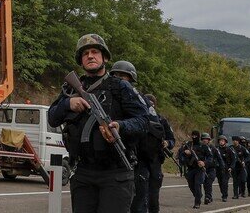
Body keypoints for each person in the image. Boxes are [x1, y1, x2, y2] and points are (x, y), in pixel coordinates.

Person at [47, 34, 149, 213]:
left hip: (116, 173)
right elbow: (52, 118)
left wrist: (120, 126)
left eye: (95, 52)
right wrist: (67, 104)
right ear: (81, 60)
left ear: (105, 57)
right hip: (83, 172)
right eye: (85, 53)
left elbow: (143, 121)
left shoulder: (120, 87)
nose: (90, 56)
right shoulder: (72, 88)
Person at [110, 60, 157, 213]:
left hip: (135, 157)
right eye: (116, 75)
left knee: (136, 203)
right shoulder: (107, 96)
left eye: (123, 76)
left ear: (130, 79)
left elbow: (152, 126)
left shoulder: (139, 99)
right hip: (110, 160)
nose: (119, 79)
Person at [143, 94, 175, 213]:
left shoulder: (161, 120)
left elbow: (172, 139)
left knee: (153, 195)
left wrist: (167, 143)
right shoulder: (136, 119)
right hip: (139, 159)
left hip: (155, 160)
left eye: (152, 105)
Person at [178, 130, 213, 209]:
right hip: (190, 168)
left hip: (199, 169)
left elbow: (210, 157)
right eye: (193, 136)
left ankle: (197, 202)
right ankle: (198, 195)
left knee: (197, 184)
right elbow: (180, 155)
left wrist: (204, 163)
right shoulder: (188, 145)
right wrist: (185, 153)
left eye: (196, 136)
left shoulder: (203, 146)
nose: (194, 137)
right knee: (191, 185)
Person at [200, 133, 222, 204]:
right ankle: (209, 196)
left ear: (209, 140)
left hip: (212, 169)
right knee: (205, 183)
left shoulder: (214, 148)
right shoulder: (200, 148)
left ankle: (207, 197)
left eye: (206, 139)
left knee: (209, 183)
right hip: (203, 169)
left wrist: (222, 168)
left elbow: (219, 159)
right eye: (203, 139)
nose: (204, 140)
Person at [216, 135, 236, 202]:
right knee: (220, 182)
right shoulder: (217, 149)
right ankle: (223, 192)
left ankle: (224, 196)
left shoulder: (229, 149)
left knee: (225, 183)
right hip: (218, 168)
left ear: (225, 142)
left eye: (222, 141)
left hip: (227, 169)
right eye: (220, 141)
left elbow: (233, 159)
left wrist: (231, 167)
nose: (221, 142)